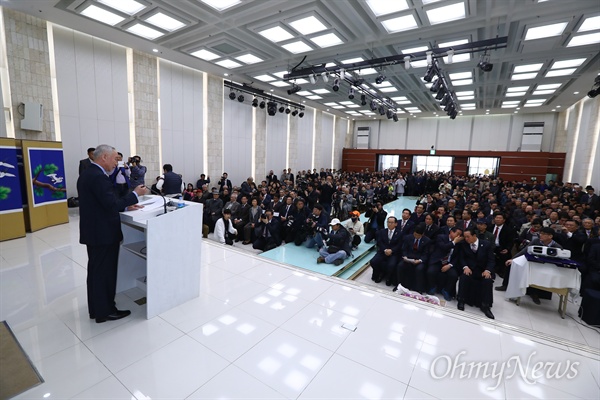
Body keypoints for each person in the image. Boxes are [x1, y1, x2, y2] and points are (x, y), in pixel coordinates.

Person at [77, 144, 147, 323]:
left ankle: (96, 309)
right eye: (116, 159)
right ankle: (105, 311)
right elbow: (110, 205)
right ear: (104, 157)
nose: (117, 163)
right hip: (103, 234)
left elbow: (102, 201)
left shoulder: (88, 173)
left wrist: (125, 204)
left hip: (94, 232)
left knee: (96, 272)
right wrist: (135, 195)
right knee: (104, 273)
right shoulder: (99, 177)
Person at [504, 227, 564, 304]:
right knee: (513, 264)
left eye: (543, 234)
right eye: (540, 233)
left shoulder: (557, 247)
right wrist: (513, 259)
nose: (540, 235)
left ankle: (535, 294)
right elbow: (524, 251)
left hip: (548, 269)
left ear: (550, 236)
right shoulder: (536, 241)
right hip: (533, 265)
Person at [456, 228, 495, 319]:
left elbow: (491, 260)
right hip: (470, 269)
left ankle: (485, 305)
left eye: (468, 237)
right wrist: (465, 267)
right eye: (464, 237)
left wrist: (487, 270)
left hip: (482, 270)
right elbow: (461, 258)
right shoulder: (464, 245)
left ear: (474, 236)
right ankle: (461, 300)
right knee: (464, 277)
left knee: (487, 281)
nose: (466, 239)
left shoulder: (486, 245)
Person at [426, 227, 463, 301]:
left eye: (460, 235)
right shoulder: (441, 237)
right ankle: (433, 287)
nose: (458, 237)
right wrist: (453, 243)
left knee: (454, 275)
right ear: (451, 232)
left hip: (449, 262)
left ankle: (446, 290)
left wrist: (450, 265)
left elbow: (458, 257)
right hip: (438, 260)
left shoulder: (460, 243)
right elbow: (443, 247)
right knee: (430, 271)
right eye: (457, 234)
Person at [395, 224, 430, 292]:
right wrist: (405, 256)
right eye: (415, 234)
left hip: (419, 260)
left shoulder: (427, 241)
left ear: (422, 234)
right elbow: (404, 249)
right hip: (408, 258)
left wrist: (420, 260)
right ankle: (399, 285)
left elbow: (426, 254)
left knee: (419, 269)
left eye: (418, 235)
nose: (416, 236)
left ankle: (418, 288)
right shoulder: (408, 237)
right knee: (400, 266)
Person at [370, 216, 403, 284]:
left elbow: (399, 245)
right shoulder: (382, 231)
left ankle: (388, 277)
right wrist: (385, 250)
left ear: (396, 224)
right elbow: (379, 242)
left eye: (391, 222)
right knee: (373, 261)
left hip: (393, 253)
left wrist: (391, 250)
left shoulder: (399, 233)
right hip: (383, 251)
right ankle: (378, 273)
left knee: (391, 265)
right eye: (388, 222)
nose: (390, 224)